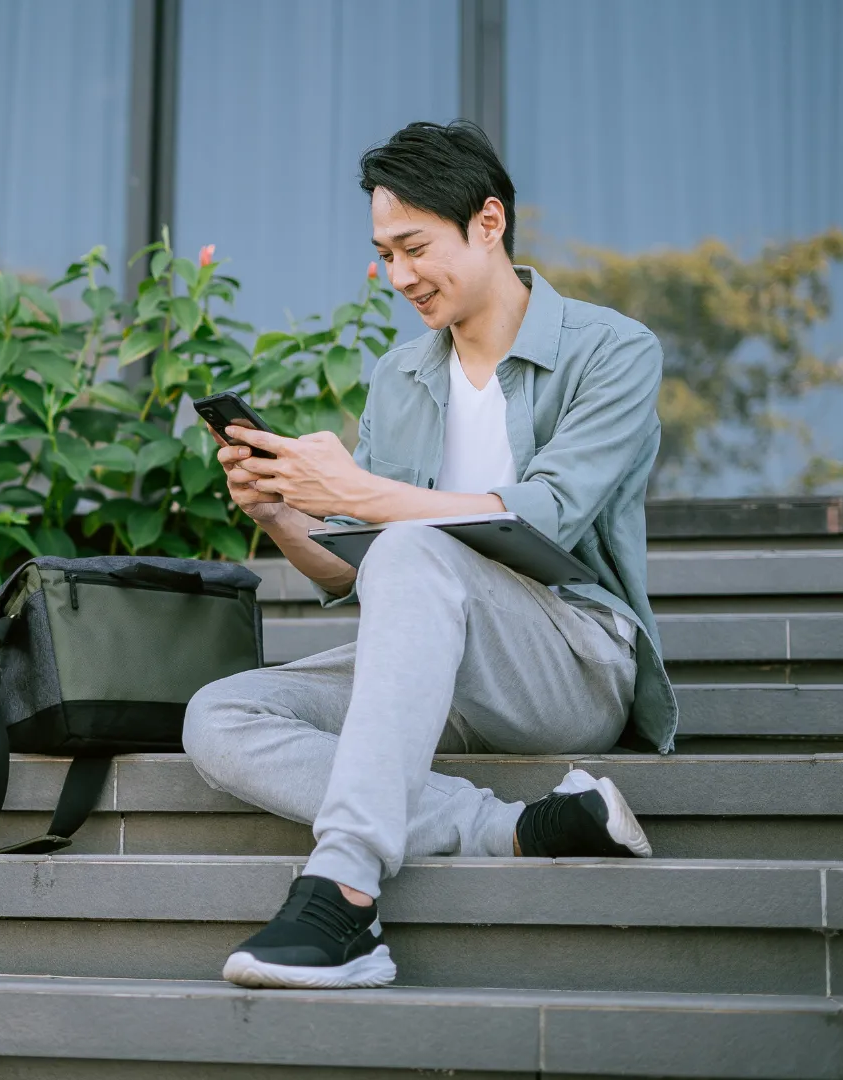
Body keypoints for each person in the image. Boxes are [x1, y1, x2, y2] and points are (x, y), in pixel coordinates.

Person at [183, 120, 677, 990]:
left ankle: (344, 894)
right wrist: (281, 515)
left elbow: (550, 516)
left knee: (415, 548)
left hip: (569, 662)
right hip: (430, 665)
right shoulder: (397, 377)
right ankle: (503, 826)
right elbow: (357, 572)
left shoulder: (614, 350)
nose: (400, 276)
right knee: (219, 715)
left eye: (415, 247)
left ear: (489, 223)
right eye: (384, 253)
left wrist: (357, 494)